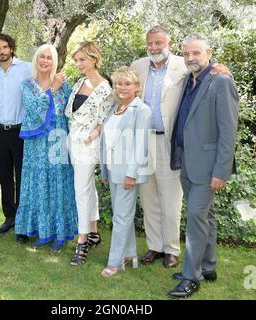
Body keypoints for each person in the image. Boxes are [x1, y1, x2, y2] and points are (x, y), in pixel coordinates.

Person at [131, 26, 230, 268]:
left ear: (169, 43)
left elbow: (203, 67)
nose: (154, 48)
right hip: (143, 141)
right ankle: (154, 246)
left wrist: (219, 66)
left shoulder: (183, 64)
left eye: (158, 43)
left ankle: (171, 249)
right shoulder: (138, 66)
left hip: (170, 141)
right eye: (150, 43)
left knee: (171, 198)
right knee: (148, 197)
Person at [168, 34, 239, 299]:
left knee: (196, 219)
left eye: (195, 53)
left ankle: (190, 278)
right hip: (186, 160)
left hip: (208, 167)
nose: (190, 59)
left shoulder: (221, 82)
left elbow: (228, 131)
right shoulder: (188, 80)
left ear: (208, 52)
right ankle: (208, 268)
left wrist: (221, 171)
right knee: (206, 217)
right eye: (186, 54)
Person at [14, 44, 78, 251]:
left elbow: (70, 112)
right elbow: (34, 109)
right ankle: (40, 232)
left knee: (58, 184)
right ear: (35, 60)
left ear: (54, 61)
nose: (45, 61)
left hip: (58, 139)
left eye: (49, 58)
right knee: (38, 184)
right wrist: (52, 88)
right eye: (41, 56)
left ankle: (59, 234)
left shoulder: (64, 84)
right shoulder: (27, 85)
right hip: (36, 143)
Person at [99, 66, 152, 277]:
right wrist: (105, 171)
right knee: (122, 215)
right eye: (118, 83)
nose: (122, 87)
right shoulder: (115, 108)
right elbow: (107, 141)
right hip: (113, 170)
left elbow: (141, 145)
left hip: (128, 172)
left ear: (137, 87)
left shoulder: (142, 110)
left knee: (121, 217)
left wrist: (132, 174)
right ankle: (130, 254)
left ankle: (115, 262)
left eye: (127, 84)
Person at [64, 41, 113, 266]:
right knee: (88, 188)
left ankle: (82, 241)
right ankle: (93, 232)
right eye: (77, 60)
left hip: (88, 146)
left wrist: (96, 131)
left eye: (82, 59)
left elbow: (107, 118)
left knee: (81, 191)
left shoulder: (105, 88)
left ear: (94, 59)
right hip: (72, 143)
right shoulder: (79, 83)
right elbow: (70, 113)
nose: (79, 64)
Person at [0, 34, 32, 238]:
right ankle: (9, 218)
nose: (2, 51)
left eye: (5, 47)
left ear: (12, 48)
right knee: (4, 175)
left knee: (22, 176)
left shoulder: (27, 68)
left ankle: (22, 221)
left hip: (20, 130)